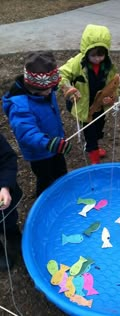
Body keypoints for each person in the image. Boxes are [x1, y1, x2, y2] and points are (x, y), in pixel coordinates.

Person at [2, 51, 71, 197]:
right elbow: (26, 133)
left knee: (61, 171)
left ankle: (63, 194)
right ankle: (43, 200)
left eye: (52, 88)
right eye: (46, 89)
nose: (50, 92)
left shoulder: (45, 89)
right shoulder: (20, 105)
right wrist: (47, 143)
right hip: (39, 152)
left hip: (55, 142)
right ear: (32, 86)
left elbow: (53, 87)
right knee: (45, 178)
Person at [59, 24, 119, 164]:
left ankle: (94, 147)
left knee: (98, 129)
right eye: (93, 55)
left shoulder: (108, 66)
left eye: (101, 55)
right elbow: (61, 74)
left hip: (99, 105)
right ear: (86, 52)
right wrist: (67, 87)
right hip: (83, 105)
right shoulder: (77, 63)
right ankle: (94, 159)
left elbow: (114, 83)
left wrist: (111, 98)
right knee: (90, 131)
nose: (97, 59)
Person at [0, 132, 23, 271]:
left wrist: (4, 186)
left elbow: (8, 159)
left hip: (2, 198)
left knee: (9, 220)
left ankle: (13, 237)